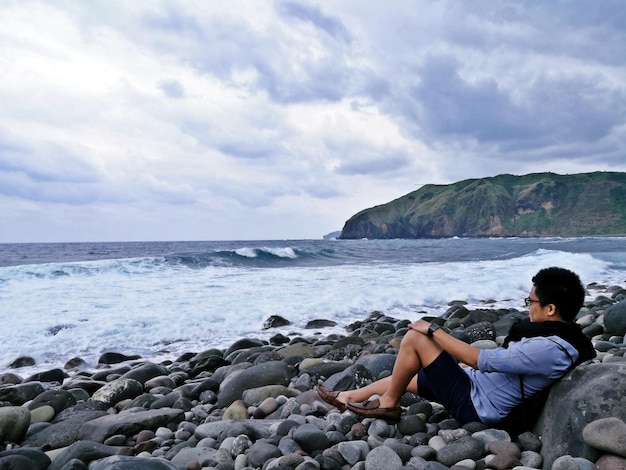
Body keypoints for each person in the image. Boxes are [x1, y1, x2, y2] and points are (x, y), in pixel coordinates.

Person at [317, 267, 597, 425]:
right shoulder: (554, 339)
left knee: (416, 338)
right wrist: (464, 365)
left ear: (550, 309)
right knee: (409, 377)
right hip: (477, 386)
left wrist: (434, 329)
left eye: (531, 302)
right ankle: (348, 397)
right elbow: (508, 362)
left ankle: (388, 405)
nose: (527, 307)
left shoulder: (550, 348)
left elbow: (482, 360)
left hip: (477, 405)